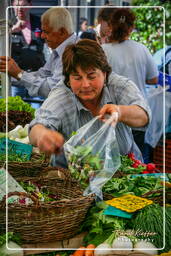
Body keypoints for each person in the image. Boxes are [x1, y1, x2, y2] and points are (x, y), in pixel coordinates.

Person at [29, 39, 151, 168]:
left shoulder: (118, 86)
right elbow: (37, 127)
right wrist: (43, 135)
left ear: (104, 74)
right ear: (68, 80)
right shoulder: (62, 96)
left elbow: (143, 116)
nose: (86, 84)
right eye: (77, 78)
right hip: (76, 177)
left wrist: (120, 112)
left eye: (92, 76)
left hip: (127, 171)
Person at [98, 8, 158, 160]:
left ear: (111, 26)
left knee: (111, 159)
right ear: (131, 28)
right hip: (136, 111)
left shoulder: (103, 50)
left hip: (110, 113)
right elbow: (153, 79)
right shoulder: (141, 49)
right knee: (136, 160)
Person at [0, 7, 77, 98]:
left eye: (46, 32)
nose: (42, 36)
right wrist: (8, 76)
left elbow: (51, 89)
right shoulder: (60, 50)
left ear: (62, 32)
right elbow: (42, 74)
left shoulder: (73, 52)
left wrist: (19, 74)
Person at [10, 0, 46, 108]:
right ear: (12, 6)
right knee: (15, 114)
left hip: (36, 78)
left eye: (23, 6)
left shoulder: (39, 22)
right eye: (16, 6)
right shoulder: (7, 23)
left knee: (38, 111)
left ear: (30, 5)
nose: (20, 9)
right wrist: (11, 31)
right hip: (16, 80)